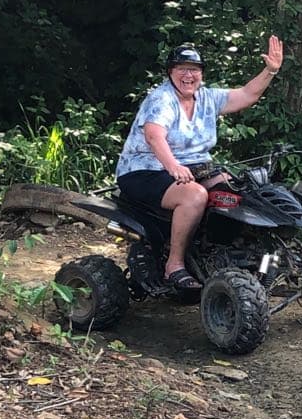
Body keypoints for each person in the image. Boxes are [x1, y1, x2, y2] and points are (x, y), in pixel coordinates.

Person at [115, 36, 284, 290]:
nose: (188, 75)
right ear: (170, 72)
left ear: (201, 73)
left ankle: (234, 257)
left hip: (194, 168)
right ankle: (174, 265)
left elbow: (248, 94)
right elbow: (154, 135)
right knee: (194, 196)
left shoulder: (206, 98)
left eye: (194, 69)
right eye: (181, 68)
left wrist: (271, 70)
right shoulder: (162, 99)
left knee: (237, 192)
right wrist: (173, 166)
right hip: (146, 170)